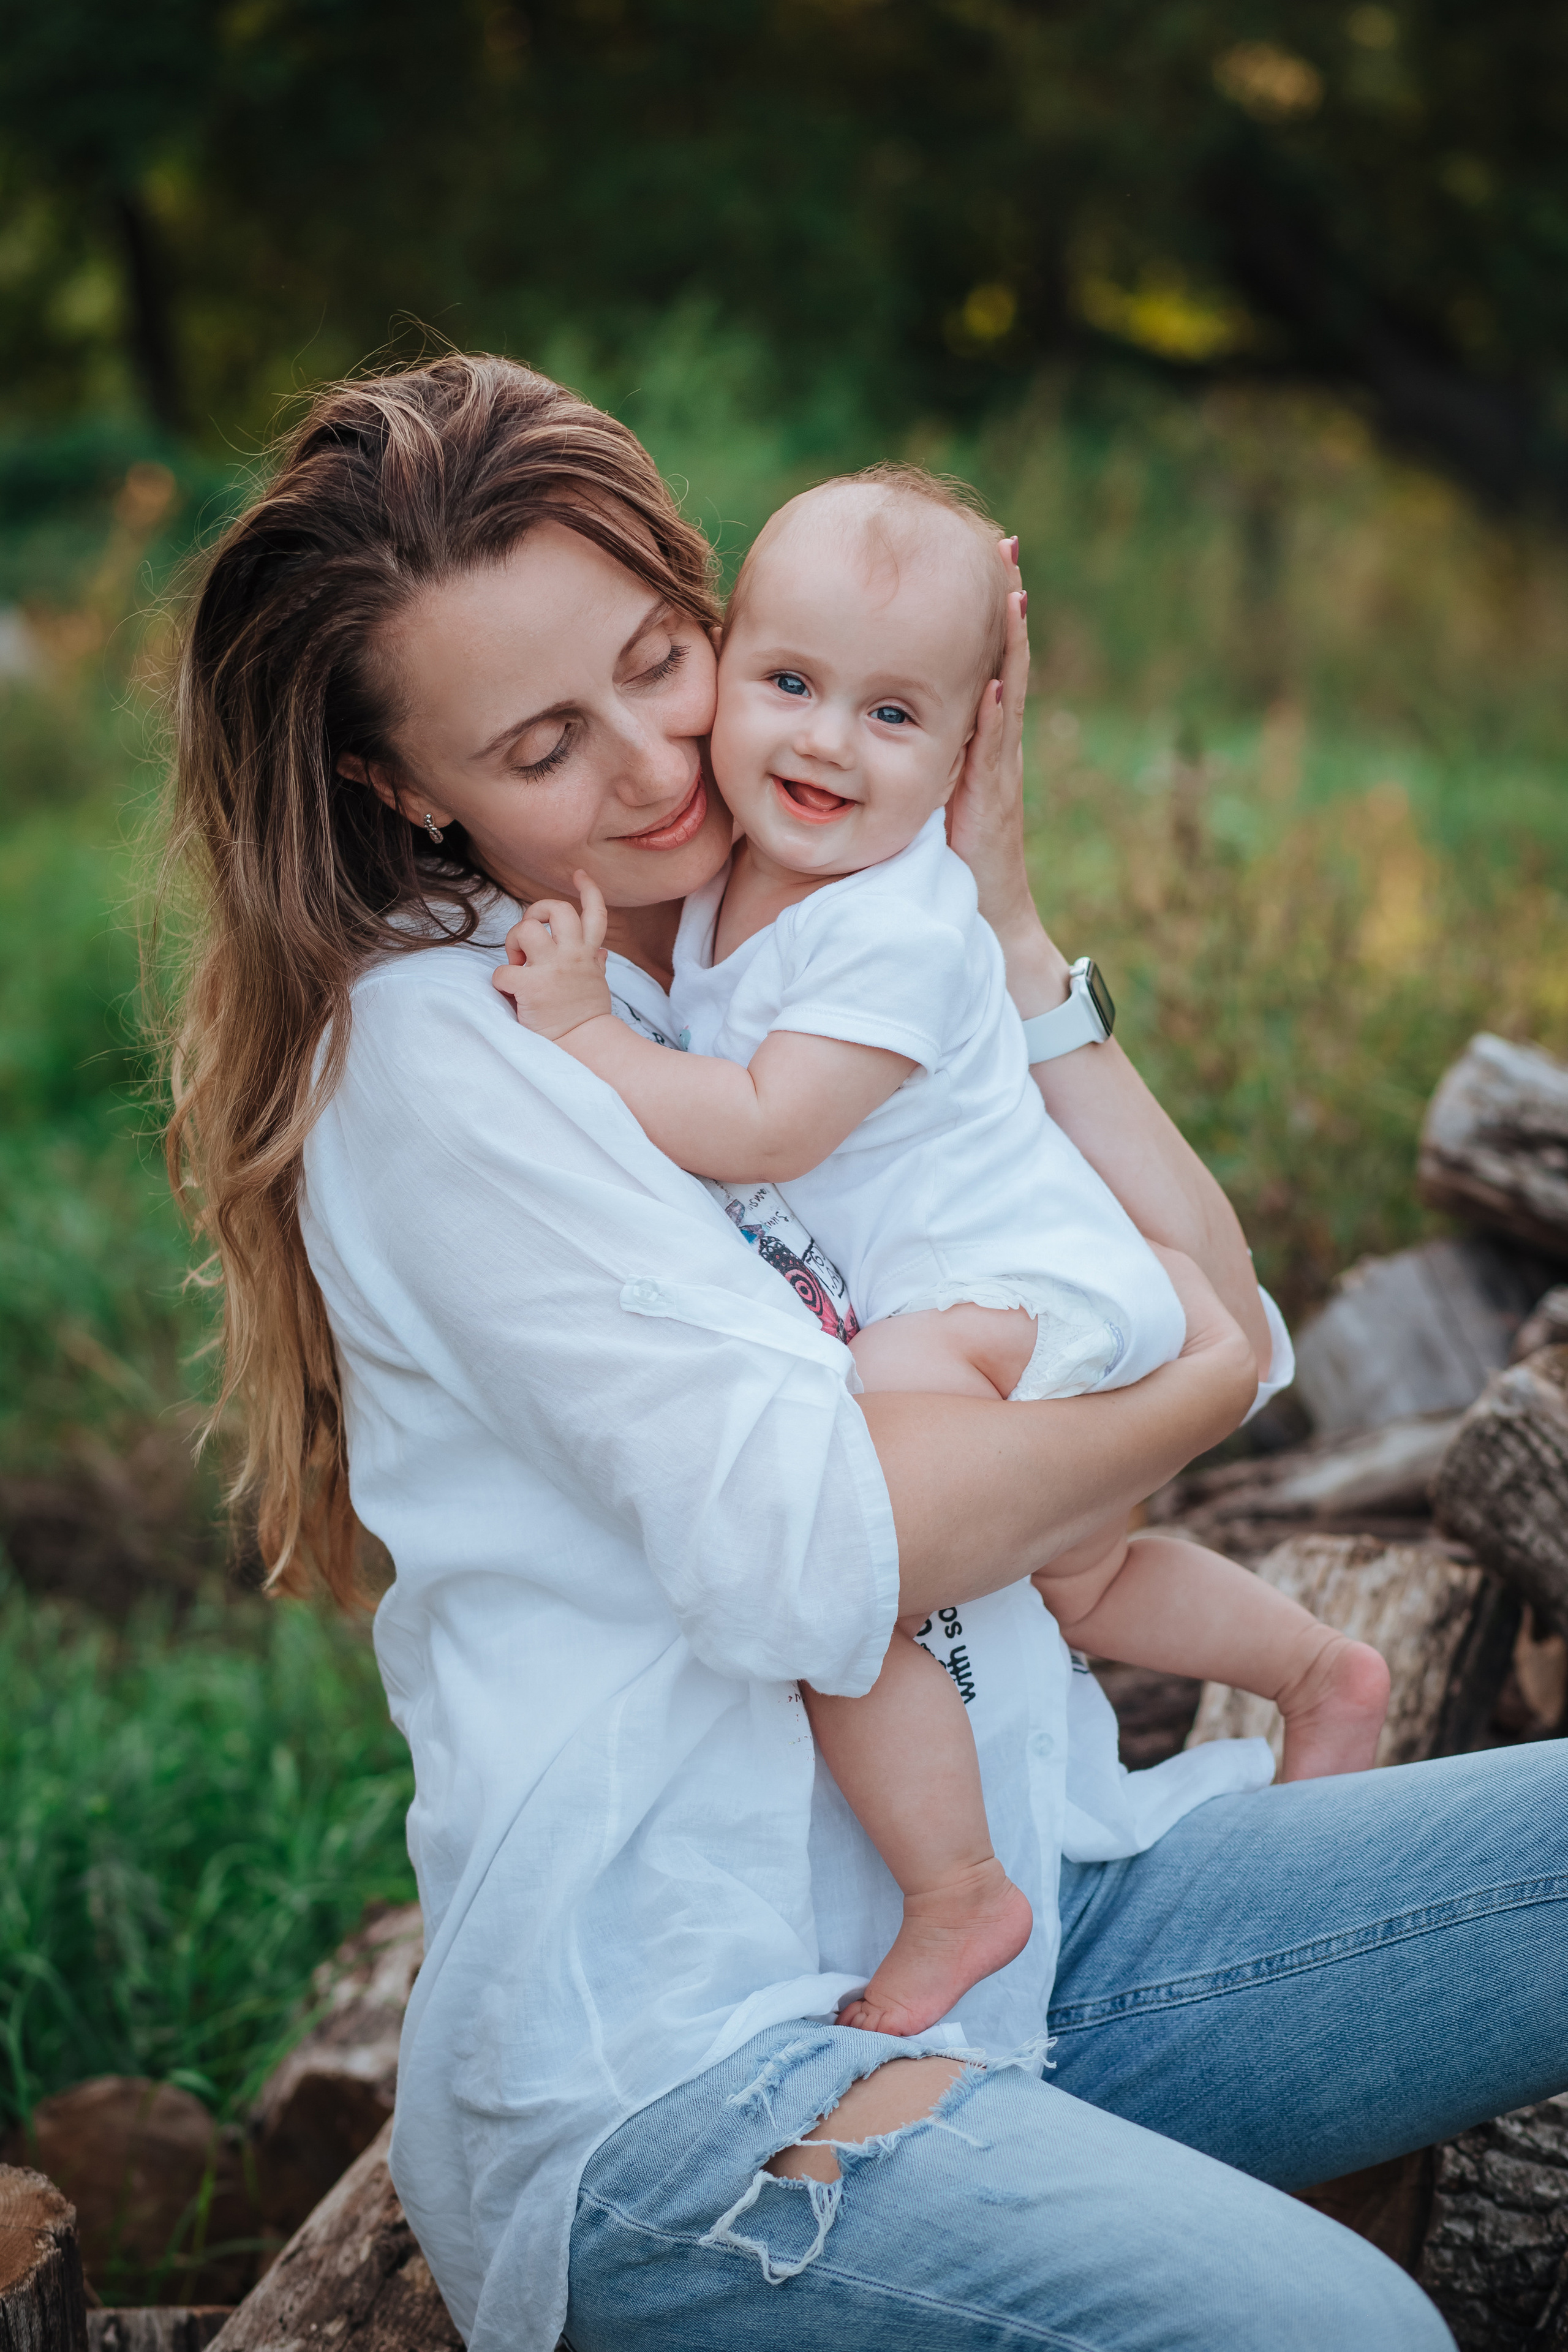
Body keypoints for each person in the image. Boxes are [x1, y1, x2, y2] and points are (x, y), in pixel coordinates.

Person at [162, 351, 1568, 2352]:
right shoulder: (443, 1059)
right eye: (545, 744)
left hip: (1048, 1923)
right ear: (408, 785)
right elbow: (833, 1543)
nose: (653, 764)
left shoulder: (786, 926)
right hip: (695, 2065)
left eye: (664, 658)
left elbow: (1178, 1252)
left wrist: (997, 920)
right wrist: (1191, 1376)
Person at [494, 463, 1390, 2040]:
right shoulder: (743, 900)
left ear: (973, 737)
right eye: (787, 684)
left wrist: (580, 1035)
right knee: (1086, 1573)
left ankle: (954, 1889)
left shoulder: (895, 925)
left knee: (849, 1568)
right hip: (1045, 1288)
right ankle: (1322, 1674)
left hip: (1001, 1299)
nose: (827, 742)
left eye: (892, 715)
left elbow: (768, 1126)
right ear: (728, 661)